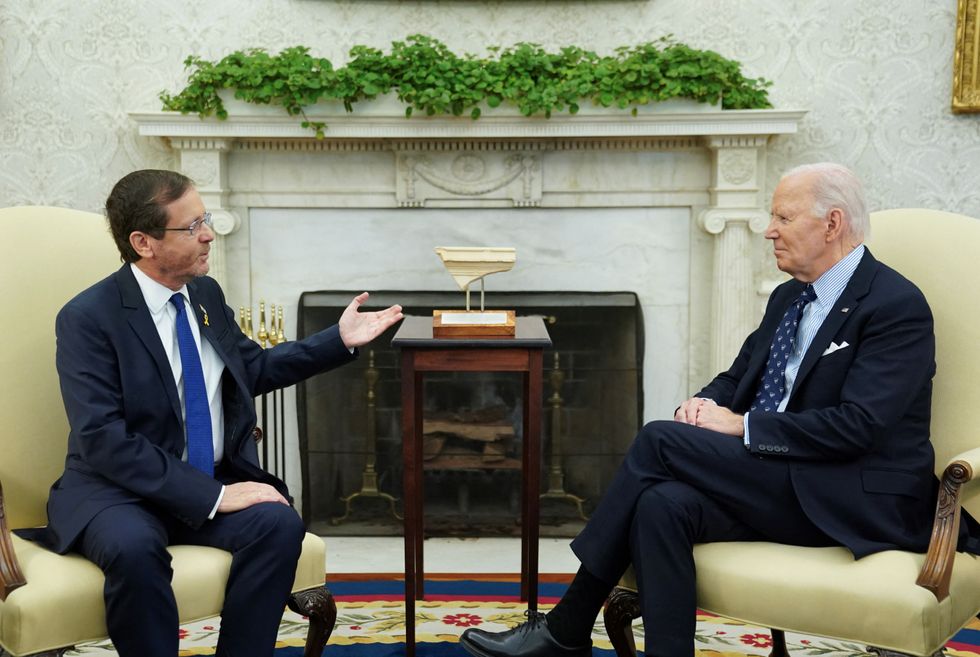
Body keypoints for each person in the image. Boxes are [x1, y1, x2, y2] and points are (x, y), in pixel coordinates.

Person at [459, 162, 980, 657]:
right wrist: (704, 404)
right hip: (780, 479)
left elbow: (859, 428)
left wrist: (741, 425)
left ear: (832, 223)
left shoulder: (894, 305)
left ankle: (566, 628)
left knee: (657, 442)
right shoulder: (788, 297)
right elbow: (740, 377)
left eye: (783, 216)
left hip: (849, 491)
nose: (769, 230)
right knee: (661, 503)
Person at [20, 169, 404, 657]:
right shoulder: (88, 318)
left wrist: (338, 341)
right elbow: (103, 440)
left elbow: (252, 368)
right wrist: (213, 495)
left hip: (204, 481)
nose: (208, 234)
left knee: (278, 525)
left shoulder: (204, 295)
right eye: (191, 226)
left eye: (205, 219)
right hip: (120, 493)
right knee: (134, 550)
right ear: (144, 242)